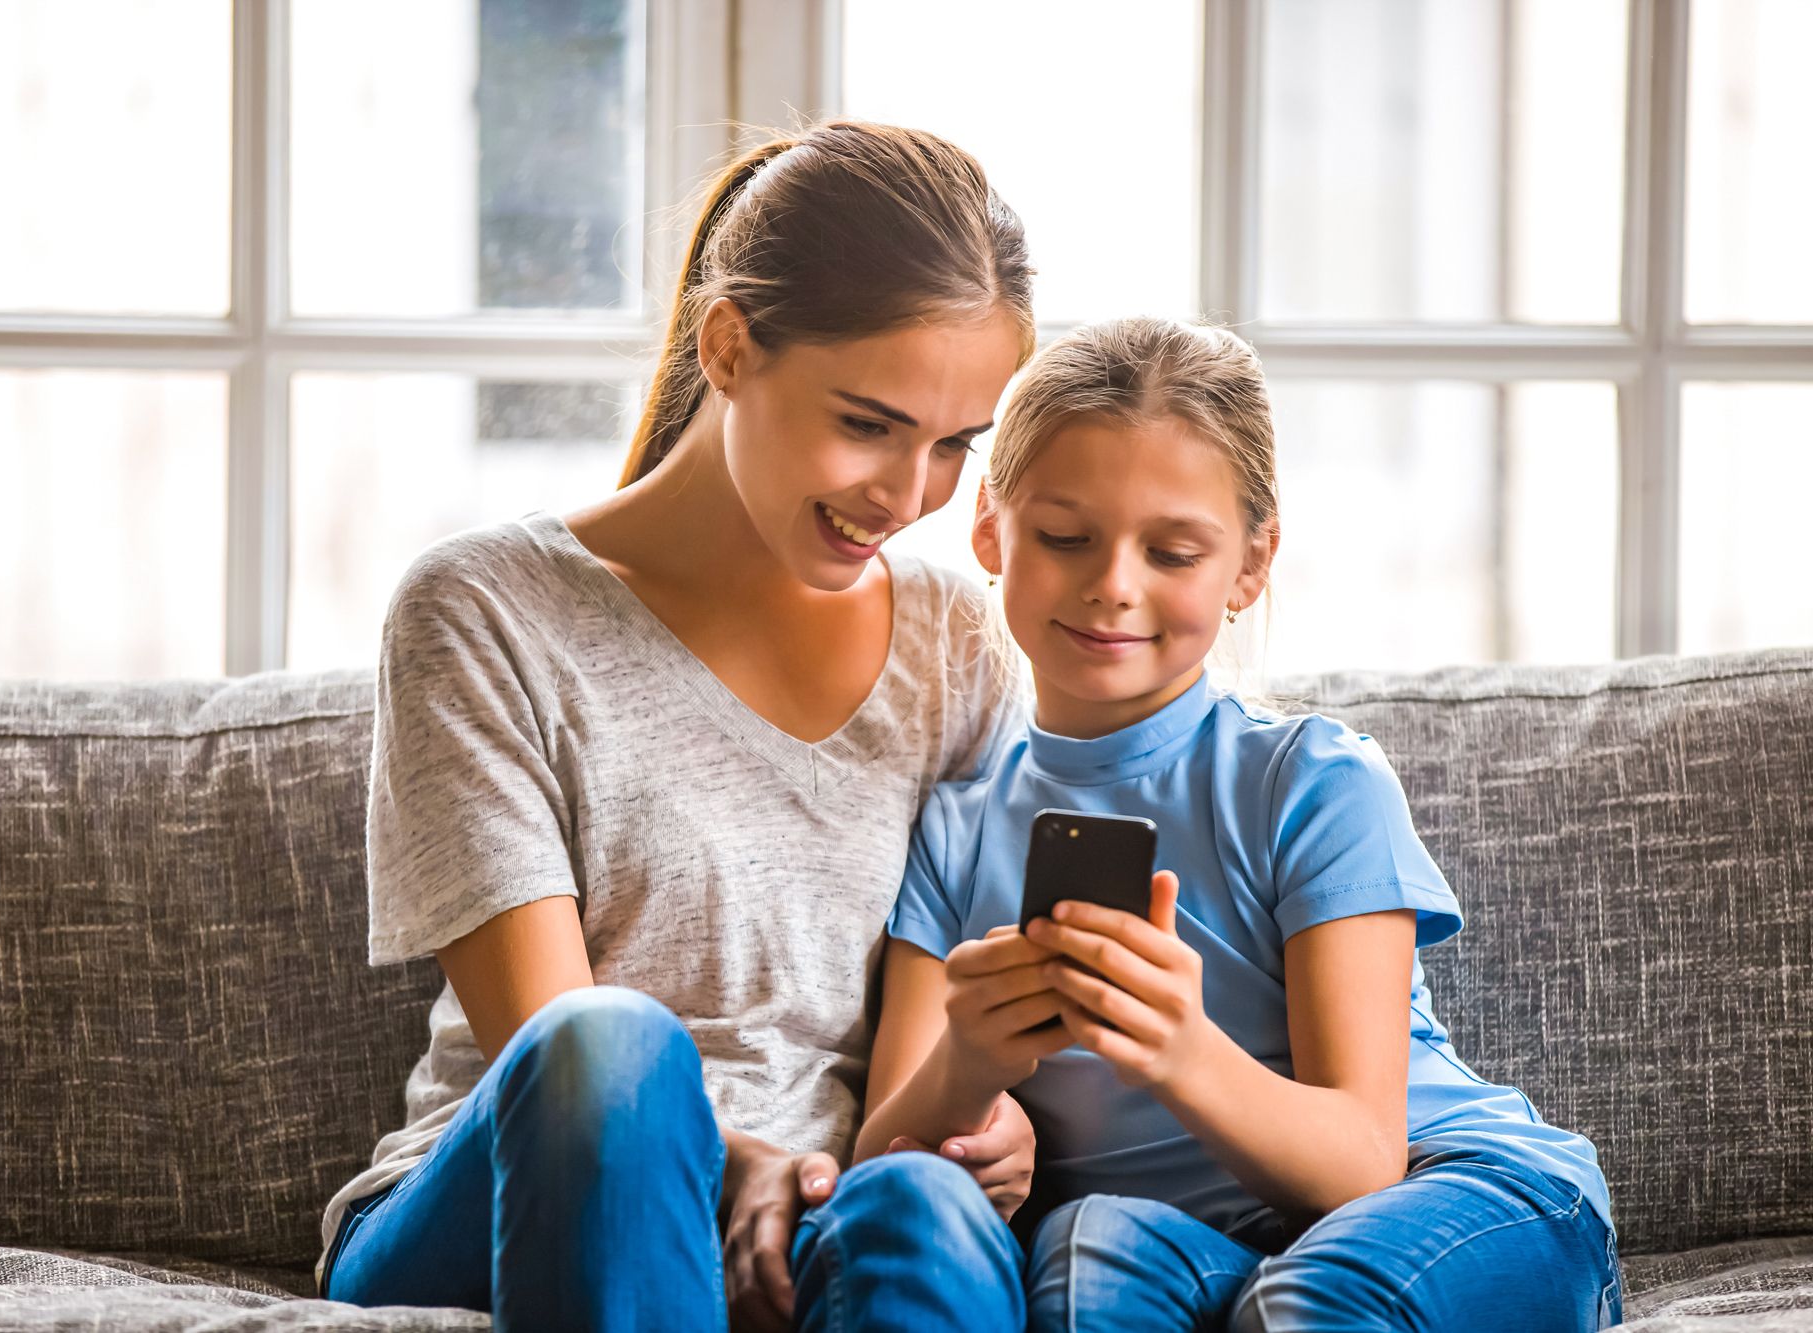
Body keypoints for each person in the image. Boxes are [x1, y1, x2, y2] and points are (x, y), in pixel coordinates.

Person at [314, 120, 1042, 1332]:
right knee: (613, 1048)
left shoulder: (956, 646)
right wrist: (729, 1161)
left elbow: (922, 1052)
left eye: (952, 446)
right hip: (514, 1199)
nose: (908, 497)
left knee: (923, 1205)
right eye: (867, 423)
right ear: (728, 346)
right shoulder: (486, 611)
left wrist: (980, 1118)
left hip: (823, 1209)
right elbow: (550, 1047)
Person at [858, 315, 1624, 1331]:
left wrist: (1179, 1049)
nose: (1112, 584)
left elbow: (1360, 1157)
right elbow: (879, 1170)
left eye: (1171, 550)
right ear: (989, 528)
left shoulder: (1310, 782)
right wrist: (967, 1063)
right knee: (1081, 1254)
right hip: (1199, 1244)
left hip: (1448, 1191)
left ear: (1248, 564)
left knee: (1309, 1298)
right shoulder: (955, 831)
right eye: (1064, 536)